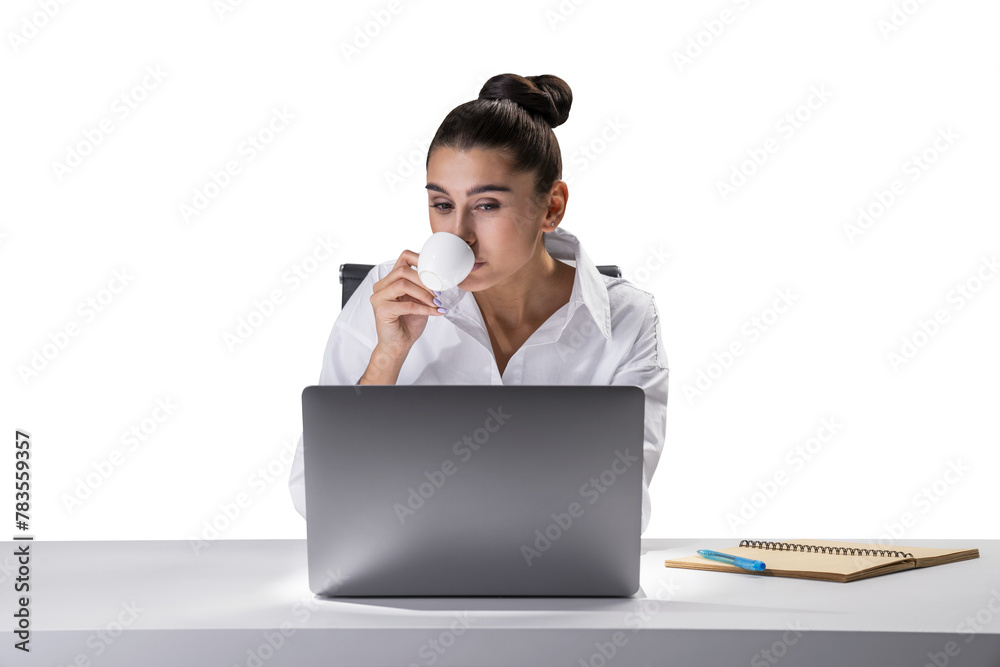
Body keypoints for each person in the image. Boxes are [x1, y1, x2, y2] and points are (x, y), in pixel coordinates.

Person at [288, 73, 668, 534]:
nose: (459, 234)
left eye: (487, 205)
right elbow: (316, 496)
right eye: (443, 205)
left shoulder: (627, 319)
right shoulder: (386, 296)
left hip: (560, 587)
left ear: (552, 207)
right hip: (406, 580)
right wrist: (388, 356)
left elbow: (621, 512)